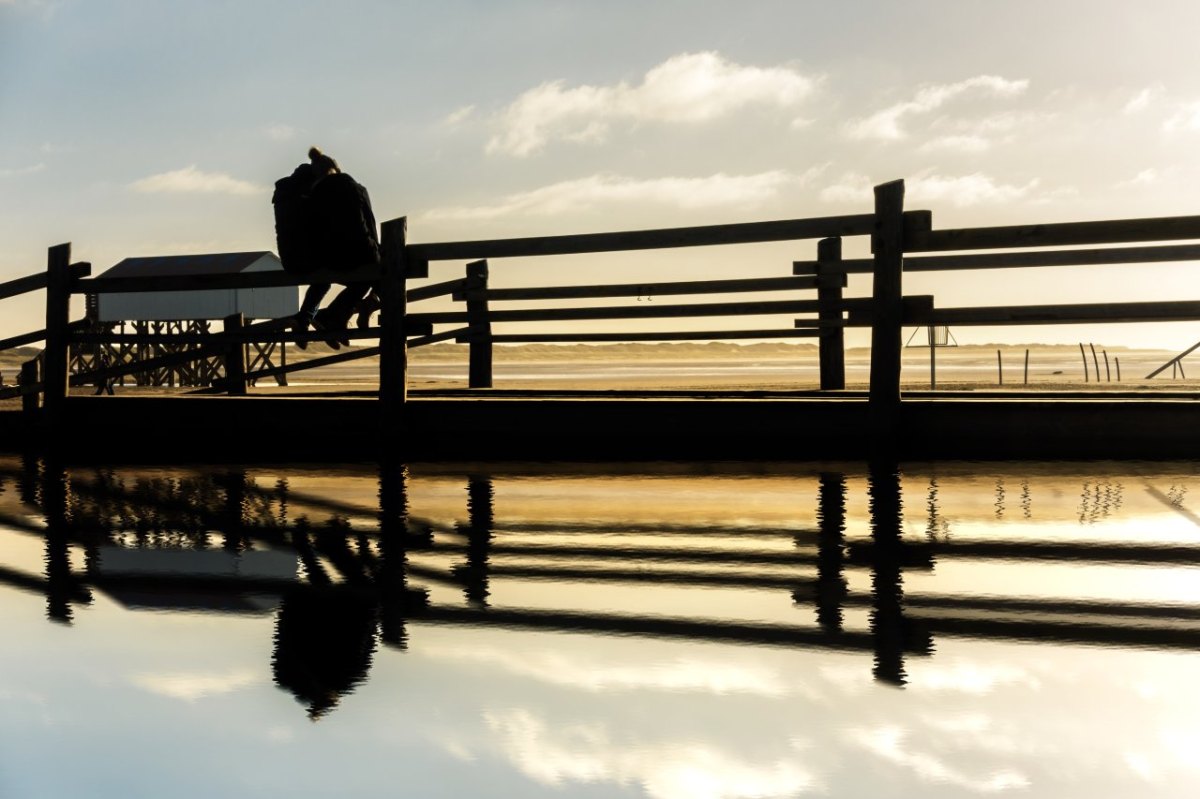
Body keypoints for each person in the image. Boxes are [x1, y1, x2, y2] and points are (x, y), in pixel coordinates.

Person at [306, 147, 380, 348]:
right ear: (335, 169)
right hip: (357, 252)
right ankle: (359, 309)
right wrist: (377, 251)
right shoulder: (354, 186)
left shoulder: (313, 194)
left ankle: (336, 318)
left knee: (362, 280)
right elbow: (369, 226)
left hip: (327, 256)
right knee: (377, 275)